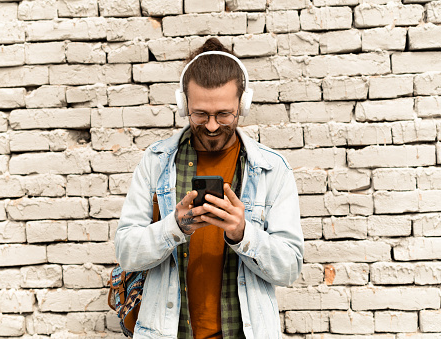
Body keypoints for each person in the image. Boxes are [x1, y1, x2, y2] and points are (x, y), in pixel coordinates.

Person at [115, 38, 304, 339]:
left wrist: (243, 234)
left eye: (224, 114)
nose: (212, 126)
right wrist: (173, 227)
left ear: (243, 105)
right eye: (200, 114)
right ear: (183, 105)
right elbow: (126, 252)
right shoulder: (155, 163)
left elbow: (289, 268)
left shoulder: (272, 170)